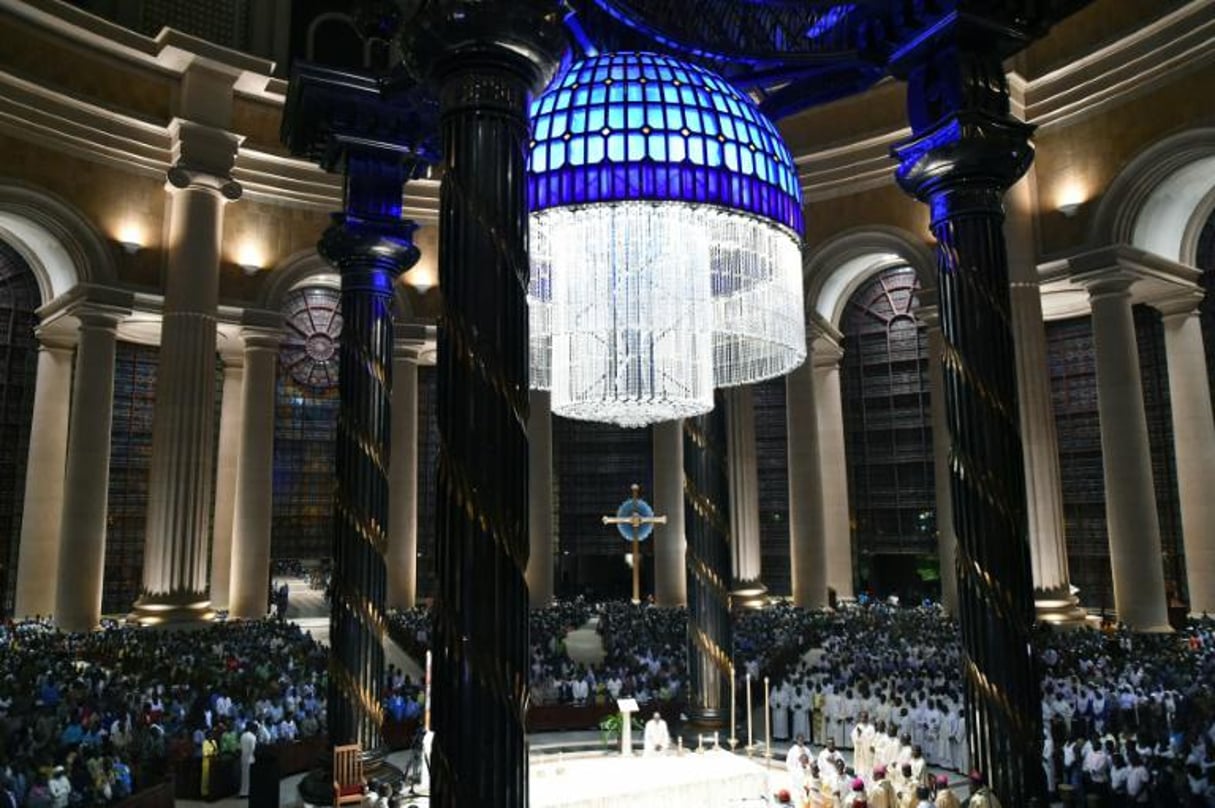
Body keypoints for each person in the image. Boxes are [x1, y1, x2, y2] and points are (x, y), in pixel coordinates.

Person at [239, 720, 258, 798]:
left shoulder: (242, 735)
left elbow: (240, 747)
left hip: (243, 758)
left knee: (244, 777)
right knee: (250, 778)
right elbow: (254, 749)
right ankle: (248, 792)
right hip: (251, 759)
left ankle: (243, 792)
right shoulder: (253, 737)